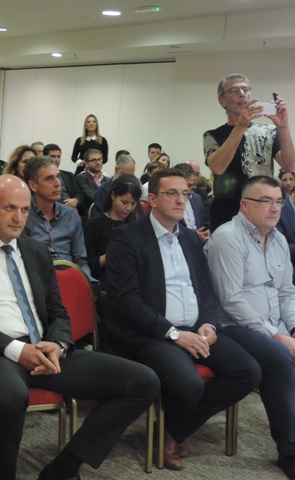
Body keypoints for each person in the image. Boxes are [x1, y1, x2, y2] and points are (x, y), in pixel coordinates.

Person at [0, 174, 160, 480]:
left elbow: (58, 313)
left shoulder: (36, 250)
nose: (18, 217)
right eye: (10, 208)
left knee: (143, 381)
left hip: (45, 349)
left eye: (24, 209)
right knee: (10, 397)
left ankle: (63, 468)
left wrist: (58, 344)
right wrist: (17, 350)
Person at [104, 168, 260, 471]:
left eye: (185, 193)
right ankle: (174, 431)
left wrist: (208, 324)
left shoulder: (189, 238)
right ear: (152, 199)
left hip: (195, 329)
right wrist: (173, 334)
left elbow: (206, 290)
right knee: (189, 384)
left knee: (248, 372)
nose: (181, 200)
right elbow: (125, 301)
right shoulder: (127, 237)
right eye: (172, 193)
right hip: (151, 334)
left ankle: (174, 430)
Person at [204, 175, 295, 480]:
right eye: (265, 201)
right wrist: (279, 337)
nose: (275, 208)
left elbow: (287, 293)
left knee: (281, 350)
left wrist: (293, 329)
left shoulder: (279, 240)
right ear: (244, 205)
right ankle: (290, 450)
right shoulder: (228, 238)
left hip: (271, 325)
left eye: (278, 201)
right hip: (231, 327)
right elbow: (231, 302)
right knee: (278, 357)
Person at [204, 73, 295, 231]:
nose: (242, 94)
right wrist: (240, 126)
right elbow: (217, 167)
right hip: (228, 216)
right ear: (222, 101)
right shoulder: (212, 135)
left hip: (264, 215)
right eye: (234, 90)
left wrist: (283, 127)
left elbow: (290, 165)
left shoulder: (269, 131)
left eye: (245, 89)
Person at [22, 156, 93, 279]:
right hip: (39, 279)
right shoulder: (23, 216)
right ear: (33, 186)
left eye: (58, 176)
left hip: (70, 277)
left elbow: (81, 260)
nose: (58, 183)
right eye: (49, 179)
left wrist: (87, 283)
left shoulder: (71, 215)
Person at [83, 175, 141, 287]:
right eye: (124, 202)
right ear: (113, 195)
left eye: (133, 204)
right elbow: (90, 264)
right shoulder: (95, 225)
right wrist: (114, 253)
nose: (128, 208)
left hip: (132, 276)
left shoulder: (134, 224)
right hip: (106, 278)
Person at [43, 143, 84, 212]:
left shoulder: (68, 175)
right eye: (53, 156)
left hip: (72, 210)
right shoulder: (41, 177)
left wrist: (76, 200)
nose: (56, 160)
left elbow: (80, 193)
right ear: (44, 157)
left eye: (58, 156)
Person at [74, 149, 108, 220]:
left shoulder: (107, 180)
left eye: (99, 159)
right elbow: (91, 195)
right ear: (86, 163)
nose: (98, 163)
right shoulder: (81, 178)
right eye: (94, 160)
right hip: (89, 216)